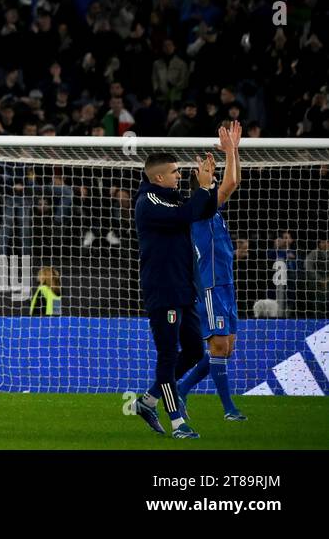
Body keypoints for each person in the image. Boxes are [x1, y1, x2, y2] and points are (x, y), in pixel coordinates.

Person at [131, 149, 218, 439]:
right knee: (167, 357)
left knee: (194, 351)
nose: (180, 176)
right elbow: (188, 212)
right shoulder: (149, 201)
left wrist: (209, 183)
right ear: (158, 177)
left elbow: (204, 209)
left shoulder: (172, 197)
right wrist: (202, 189)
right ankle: (177, 422)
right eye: (175, 172)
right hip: (163, 291)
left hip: (183, 289)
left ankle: (148, 401)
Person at [177, 122, 247, 421]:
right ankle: (229, 410)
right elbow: (230, 184)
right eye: (212, 180)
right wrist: (230, 151)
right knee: (218, 346)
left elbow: (234, 180)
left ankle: (181, 389)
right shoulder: (198, 211)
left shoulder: (211, 210)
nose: (218, 183)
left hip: (226, 284)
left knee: (227, 348)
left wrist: (234, 153)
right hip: (210, 286)